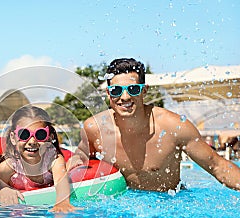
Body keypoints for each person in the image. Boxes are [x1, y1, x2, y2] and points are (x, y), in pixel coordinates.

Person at [68, 58, 240, 192]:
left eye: (133, 89)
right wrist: (76, 159)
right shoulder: (94, 128)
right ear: (108, 93)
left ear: (144, 90)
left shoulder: (173, 126)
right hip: (123, 212)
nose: (125, 97)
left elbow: (218, 166)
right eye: (116, 91)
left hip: (169, 206)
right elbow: (82, 153)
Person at [0, 105, 75, 212]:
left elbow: (61, 181)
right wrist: (5, 189)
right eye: (24, 134)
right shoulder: (8, 167)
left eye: (40, 134)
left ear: (50, 138)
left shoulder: (53, 160)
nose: (32, 142)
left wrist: (62, 202)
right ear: (13, 138)